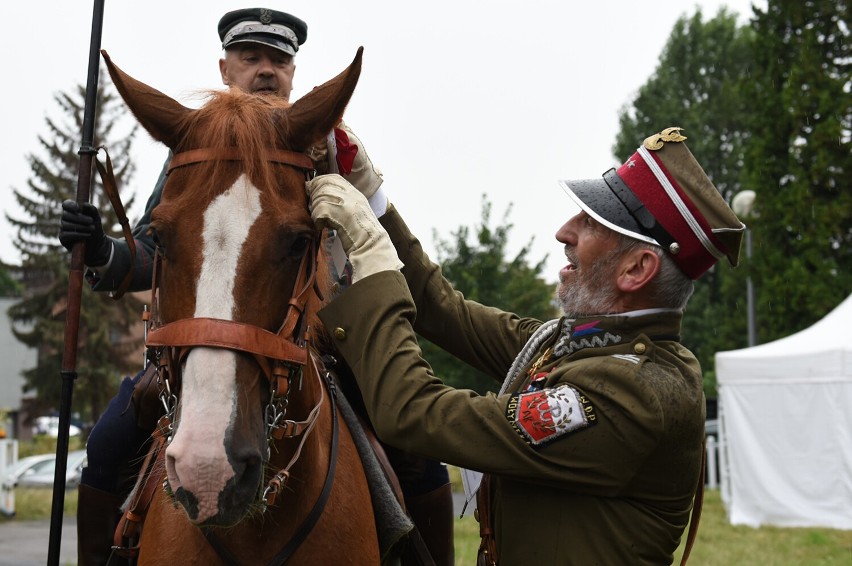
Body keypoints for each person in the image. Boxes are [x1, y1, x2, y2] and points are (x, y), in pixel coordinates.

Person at [58, 8, 453, 566]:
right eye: (251, 58)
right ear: (225, 68)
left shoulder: (329, 149)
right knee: (107, 444)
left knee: (418, 451)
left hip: (331, 341)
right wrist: (102, 252)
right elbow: (155, 256)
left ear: (294, 73)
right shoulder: (192, 149)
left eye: (279, 59)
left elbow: (377, 249)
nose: (266, 70)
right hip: (199, 343)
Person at [306, 126, 746, 565]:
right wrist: (371, 196)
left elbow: (415, 413)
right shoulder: (588, 345)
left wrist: (371, 257)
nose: (563, 232)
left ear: (636, 269)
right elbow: (445, 310)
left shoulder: (633, 393)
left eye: (591, 223)